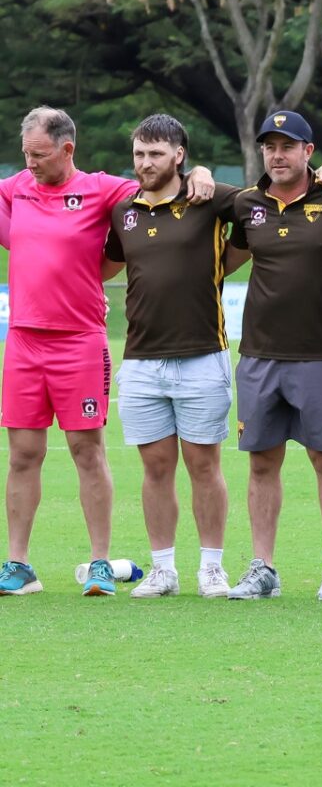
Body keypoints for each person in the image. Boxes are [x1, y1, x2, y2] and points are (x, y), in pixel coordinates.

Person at [0, 107, 213, 598]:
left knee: (86, 451)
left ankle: (99, 563)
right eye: (25, 154)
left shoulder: (102, 189)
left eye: (39, 154)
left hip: (80, 340)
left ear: (67, 148)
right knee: (22, 455)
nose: (30, 164)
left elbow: (161, 187)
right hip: (24, 342)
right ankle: (19, 564)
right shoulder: (17, 188)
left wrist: (198, 171)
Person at [223, 111, 322, 601]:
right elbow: (222, 260)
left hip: (319, 355)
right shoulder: (247, 205)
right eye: (269, 146)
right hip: (258, 355)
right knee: (262, 462)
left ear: (309, 151)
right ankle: (262, 567)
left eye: (288, 146)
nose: (277, 155)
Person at [104, 115, 243, 598]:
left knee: (205, 466)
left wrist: (204, 174)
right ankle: (163, 570)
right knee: (155, 468)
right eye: (139, 154)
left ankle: (212, 567)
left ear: (179, 155)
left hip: (203, 355)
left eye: (156, 154)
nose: (145, 163)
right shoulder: (124, 212)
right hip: (141, 361)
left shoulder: (209, 198)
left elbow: (261, 217)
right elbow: (104, 264)